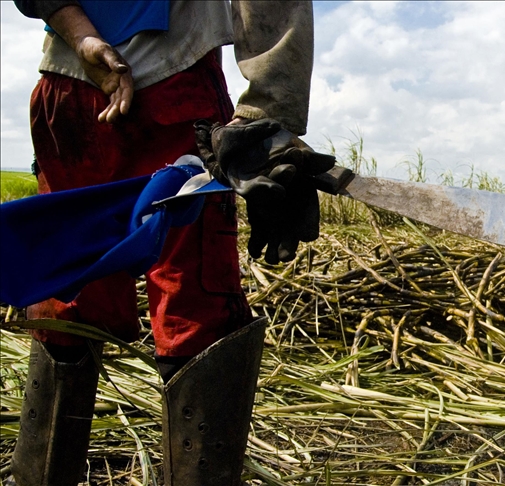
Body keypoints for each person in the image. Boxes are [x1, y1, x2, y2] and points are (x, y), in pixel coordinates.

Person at [8, 1, 329, 484]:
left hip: (164, 88)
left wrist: (266, 115)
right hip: (82, 91)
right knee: (67, 301)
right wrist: (83, 39)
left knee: (188, 304)